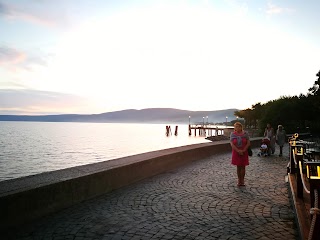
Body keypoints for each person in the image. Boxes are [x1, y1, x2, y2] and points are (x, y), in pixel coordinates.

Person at [230, 122, 250, 187]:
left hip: (244, 152)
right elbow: (232, 144)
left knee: (243, 166)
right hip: (236, 152)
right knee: (238, 167)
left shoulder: (245, 134)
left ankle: (242, 180)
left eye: (238, 126)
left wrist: (244, 150)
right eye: (236, 127)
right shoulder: (233, 134)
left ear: (241, 127)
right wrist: (238, 150)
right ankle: (239, 180)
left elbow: (248, 143)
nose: (237, 128)